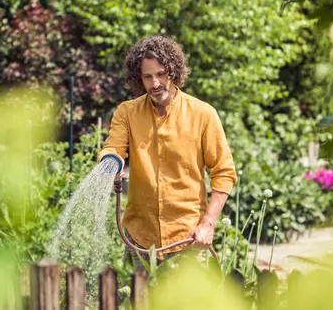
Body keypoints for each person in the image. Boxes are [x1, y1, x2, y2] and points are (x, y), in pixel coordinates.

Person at [97, 35, 237, 266]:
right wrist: (111, 160)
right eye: (147, 77)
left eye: (161, 74)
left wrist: (208, 224)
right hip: (139, 237)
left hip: (187, 238)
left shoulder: (203, 114)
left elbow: (224, 172)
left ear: (174, 71)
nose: (155, 84)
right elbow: (113, 147)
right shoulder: (127, 112)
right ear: (138, 79)